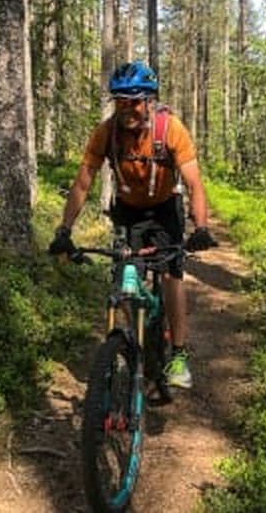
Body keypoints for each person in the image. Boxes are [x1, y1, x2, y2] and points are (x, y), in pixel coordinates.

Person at [48, 60, 216, 389]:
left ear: (149, 101)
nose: (127, 109)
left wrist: (201, 228)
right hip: (127, 213)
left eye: (134, 101)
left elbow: (195, 183)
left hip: (165, 210)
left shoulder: (170, 130)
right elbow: (82, 183)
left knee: (170, 276)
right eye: (120, 102)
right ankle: (133, 343)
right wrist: (64, 230)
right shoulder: (107, 133)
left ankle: (178, 354)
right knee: (124, 280)